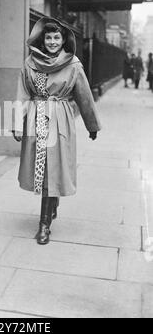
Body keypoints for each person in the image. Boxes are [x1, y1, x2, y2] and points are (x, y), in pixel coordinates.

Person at [13, 17, 102, 245]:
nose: (52, 42)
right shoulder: (30, 63)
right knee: (42, 169)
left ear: (64, 41)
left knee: (52, 168)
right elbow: (22, 94)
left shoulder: (73, 64)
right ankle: (51, 205)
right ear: (43, 40)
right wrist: (16, 123)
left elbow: (84, 96)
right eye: (49, 37)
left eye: (57, 38)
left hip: (59, 119)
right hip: (36, 118)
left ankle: (44, 225)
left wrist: (91, 125)